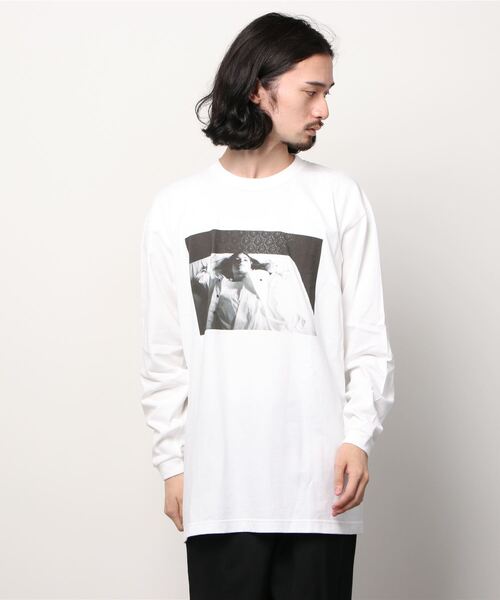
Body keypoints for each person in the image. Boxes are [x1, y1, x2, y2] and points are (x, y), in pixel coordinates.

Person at [140, 11, 395, 600]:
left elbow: (368, 337)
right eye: (312, 91)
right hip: (219, 491)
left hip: (318, 493)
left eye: (328, 93)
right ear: (260, 90)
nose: (324, 109)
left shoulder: (338, 198)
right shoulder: (178, 208)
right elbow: (163, 354)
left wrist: (357, 437)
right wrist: (172, 464)